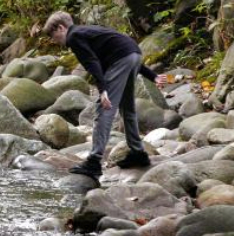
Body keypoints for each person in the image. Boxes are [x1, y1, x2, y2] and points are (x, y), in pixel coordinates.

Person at [42, 11, 167, 179]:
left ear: (61, 27)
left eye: (53, 35)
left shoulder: (74, 36)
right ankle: (138, 153)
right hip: (133, 55)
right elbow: (124, 50)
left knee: (104, 110)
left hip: (122, 59)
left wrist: (103, 90)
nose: (54, 40)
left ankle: (94, 161)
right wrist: (152, 75)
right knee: (127, 108)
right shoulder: (87, 31)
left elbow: (91, 62)